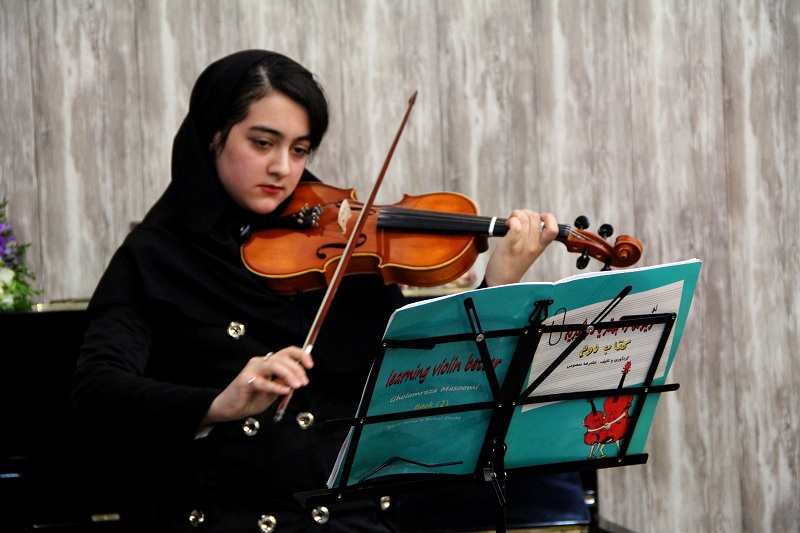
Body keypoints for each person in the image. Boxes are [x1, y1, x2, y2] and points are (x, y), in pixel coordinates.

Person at [71, 49, 558, 532]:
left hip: (355, 520)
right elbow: (97, 389)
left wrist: (498, 281)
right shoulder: (154, 257)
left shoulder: (341, 243)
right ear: (213, 135)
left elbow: (416, 376)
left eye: (299, 150)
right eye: (263, 143)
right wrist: (218, 404)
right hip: (227, 520)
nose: (283, 168)